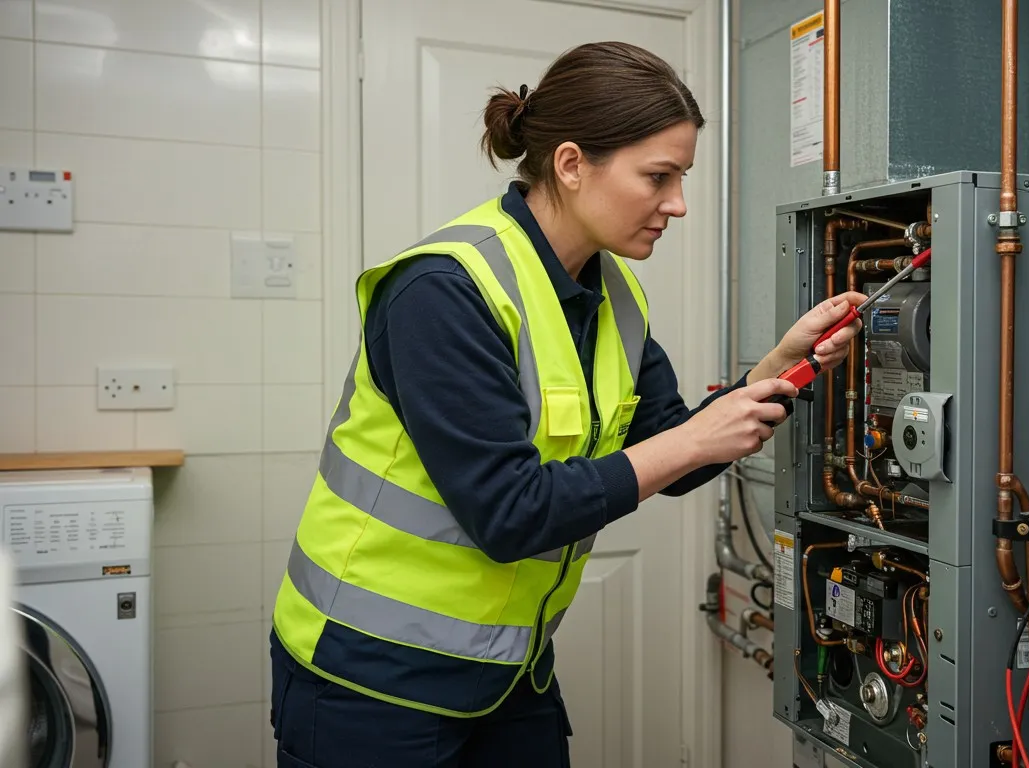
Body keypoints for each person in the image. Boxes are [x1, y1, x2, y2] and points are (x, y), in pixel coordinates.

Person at [267, 41, 865, 767]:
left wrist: (781, 368)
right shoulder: (443, 292)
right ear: (572, 163)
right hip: (372, 678)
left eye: (682, 177)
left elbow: (671, 452)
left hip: (507, 669)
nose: (676, 203)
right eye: (658, 176)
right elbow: (508, 512)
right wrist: (695, 439)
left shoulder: (613, 294)